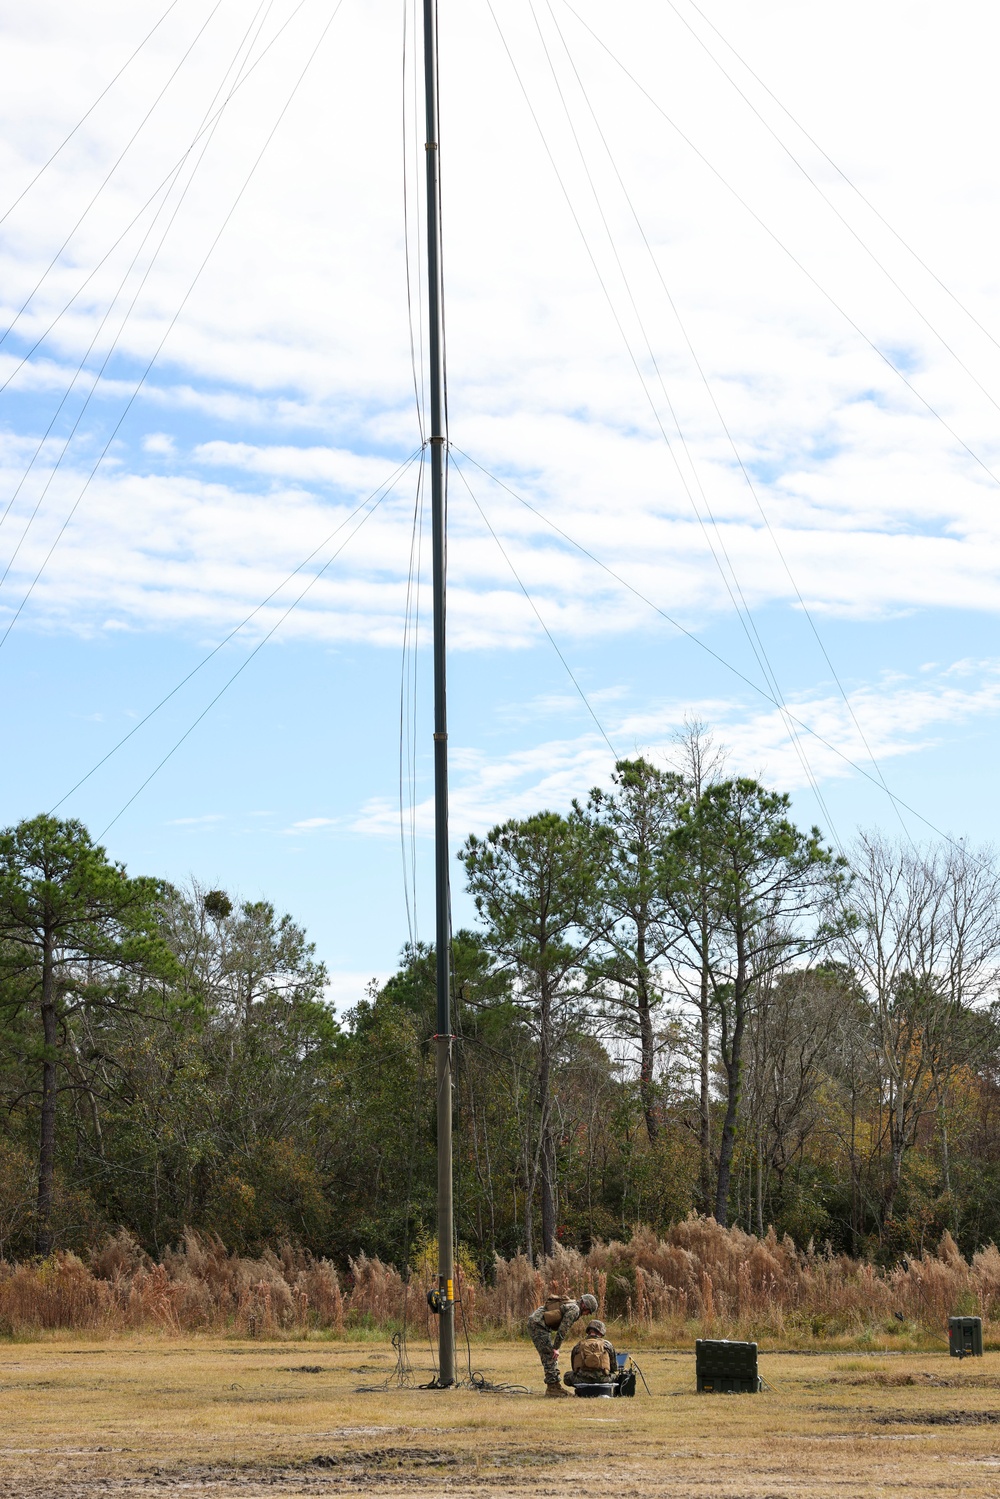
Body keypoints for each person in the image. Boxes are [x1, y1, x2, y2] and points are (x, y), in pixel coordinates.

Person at [527, 1291, 598, 1397]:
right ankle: (553, 1388)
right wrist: (556, 1348)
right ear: (584, 1305)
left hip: (538, 1322)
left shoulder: (573, 1305)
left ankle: (554, 1386)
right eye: (588, 1311)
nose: (587, 1314)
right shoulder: (575, 1310)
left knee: (549, 1355)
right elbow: (563, 1329)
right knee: (550, 1355)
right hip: (538, 1324)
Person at [563, 1319, 618, 1391]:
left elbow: (574, 1368)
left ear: (588, 1332)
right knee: (616, 1376)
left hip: (581, 1380)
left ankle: (581, 1390)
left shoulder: (578, 1345)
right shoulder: (607, 1345)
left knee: (567, 1376)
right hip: (603, 1380)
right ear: (601, 1332)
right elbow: (614, 1367)